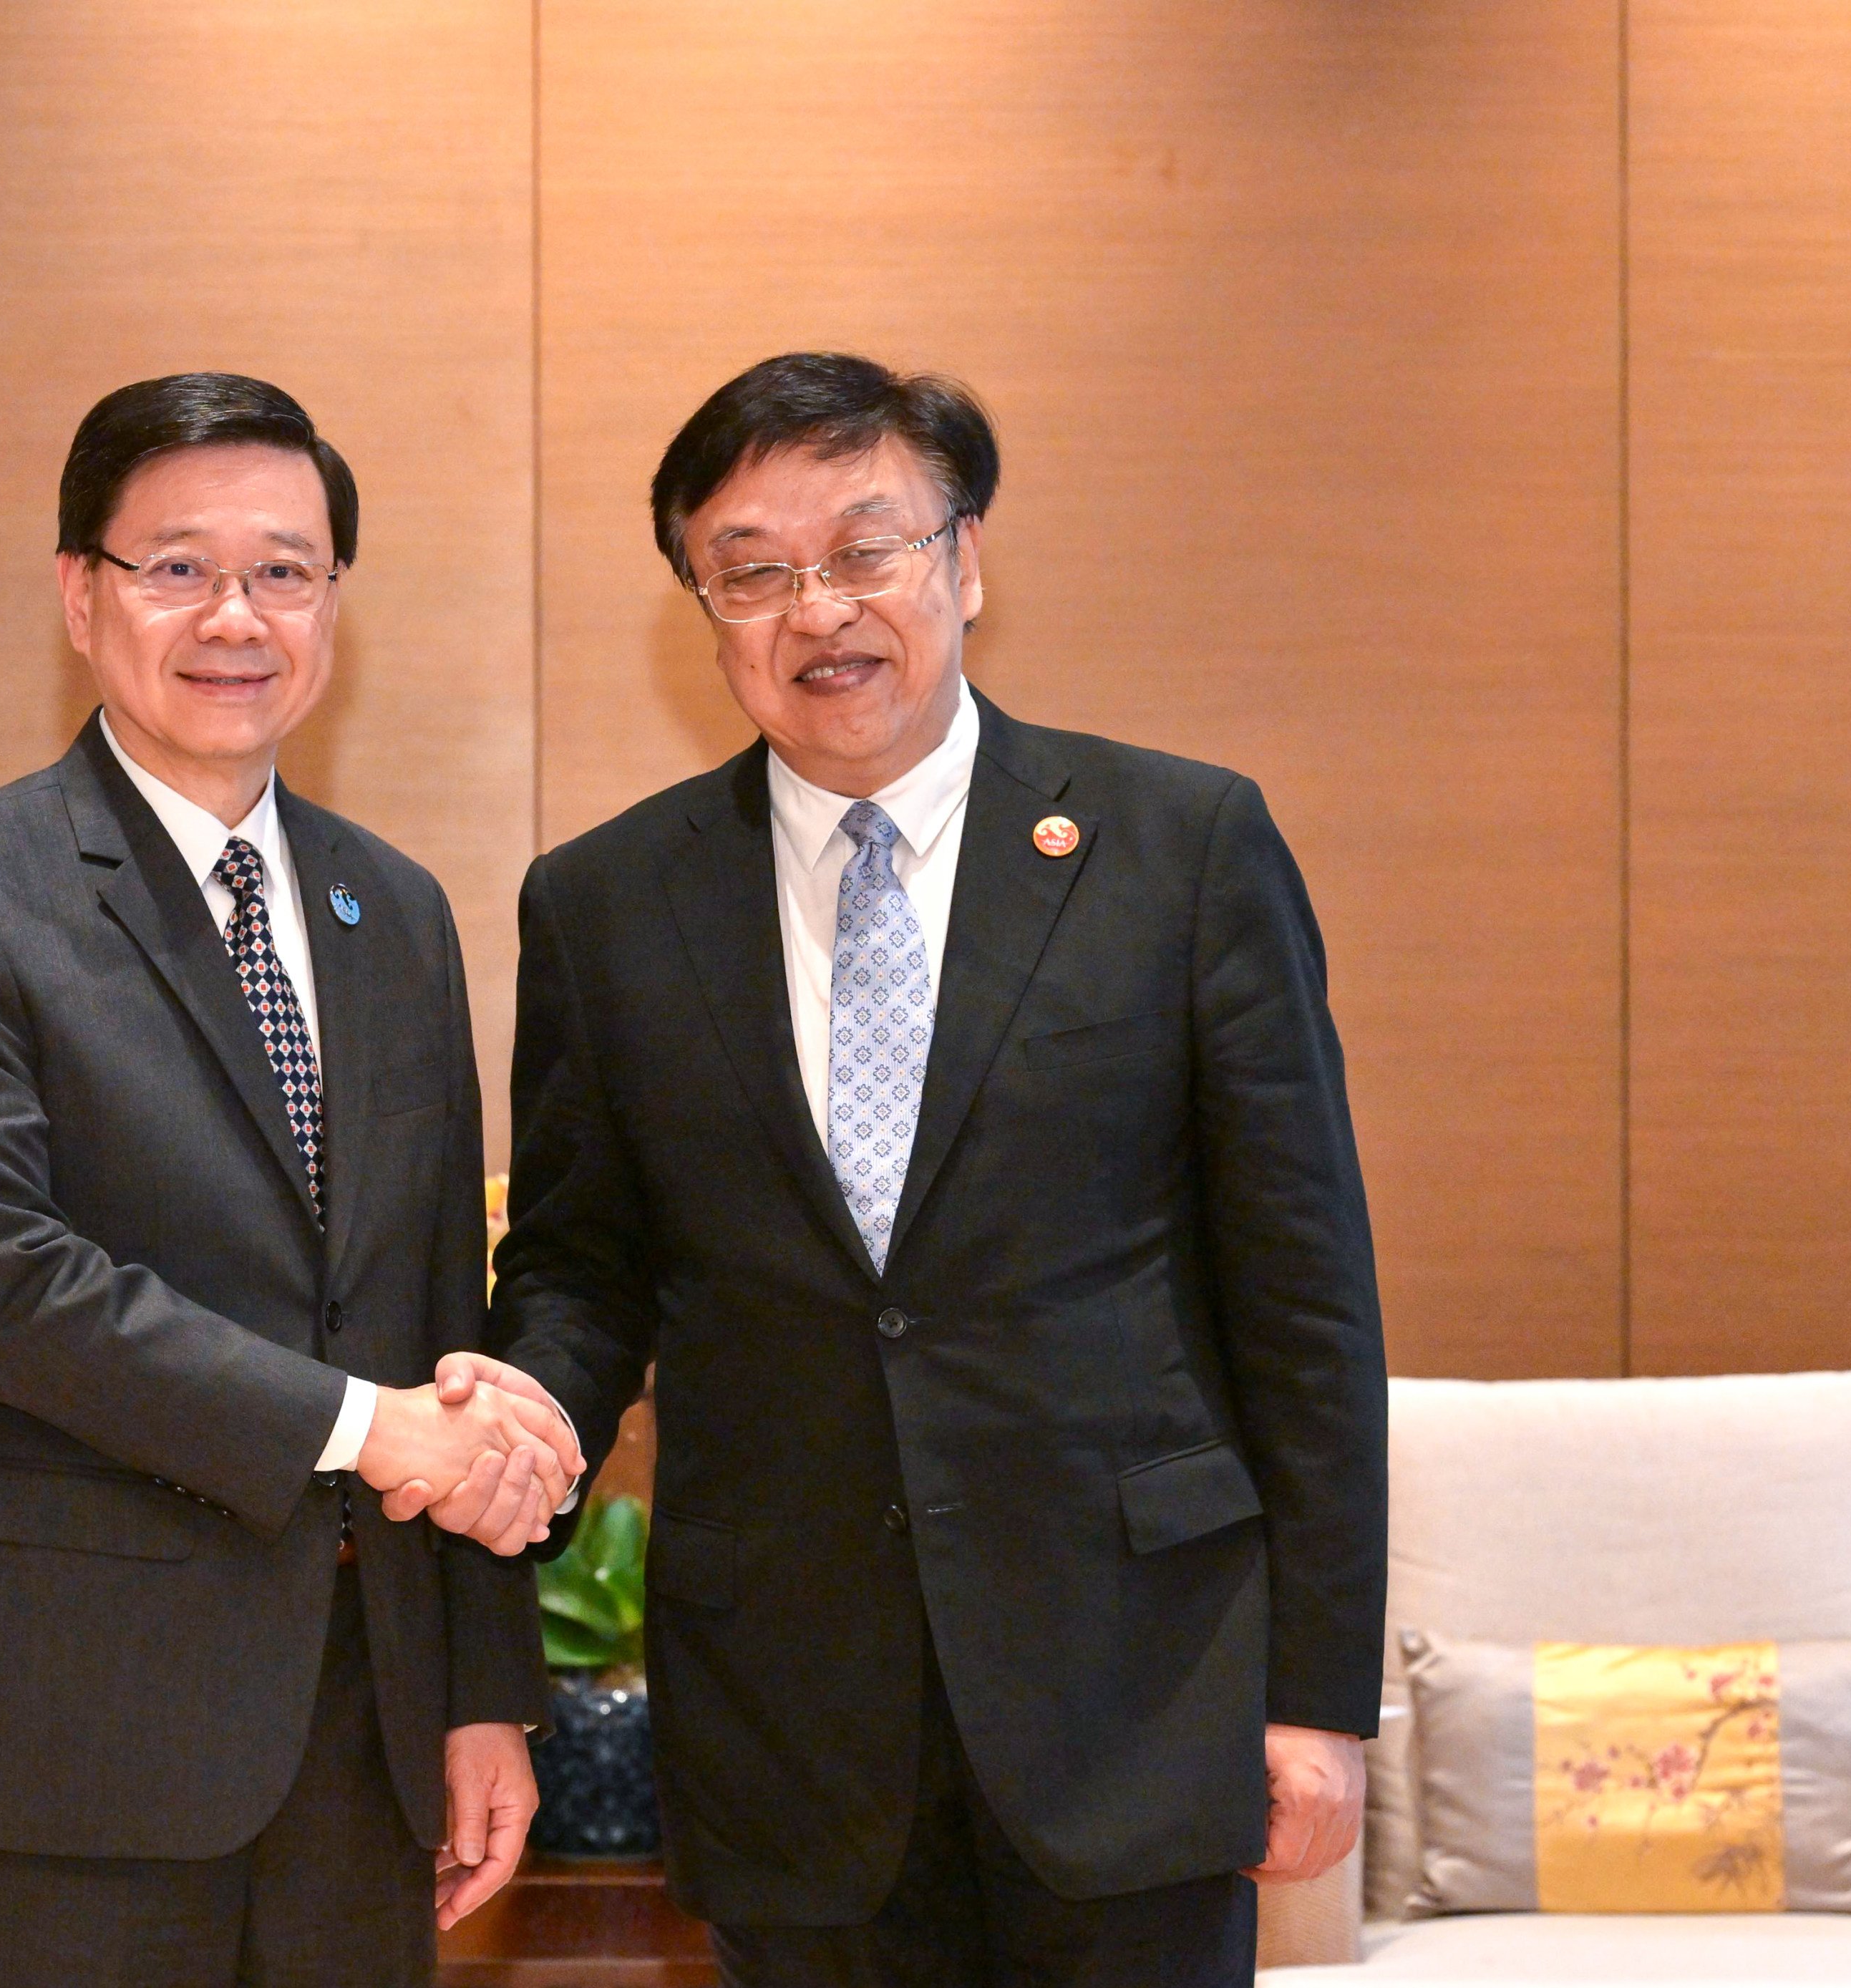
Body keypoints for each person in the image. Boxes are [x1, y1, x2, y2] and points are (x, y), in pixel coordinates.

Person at [405, 352, 1388, 1986]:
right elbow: (583, 1267)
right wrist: (523, 1419)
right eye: (754, 571)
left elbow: (1305, 1303)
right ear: (700, 610)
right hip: (788, 1722)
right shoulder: (607, 903)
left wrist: (1312, 1699)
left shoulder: (1179, 847)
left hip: (1129, 1696)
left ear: (965, 562)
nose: (820, 612)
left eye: (867, 550)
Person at [0, 372, 584, 1988]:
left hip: (359, 1741)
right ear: (78, 596)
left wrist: (475, 1692)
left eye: (284, 571)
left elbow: (440, 1307)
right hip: (68, 1745)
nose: (234, 616)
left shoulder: (398, 910)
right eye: (176, 567)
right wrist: (365, 1429)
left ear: (332, 605)